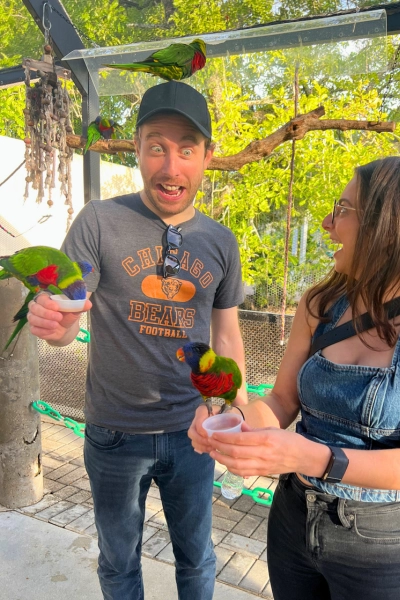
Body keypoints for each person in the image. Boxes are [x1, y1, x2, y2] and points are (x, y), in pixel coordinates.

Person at [27, 80, 248, 600]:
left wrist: (231, 408)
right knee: (119, 558)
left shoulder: (220, 242)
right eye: (157, 147)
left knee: (196, 557)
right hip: (114, 434)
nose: (171, 168)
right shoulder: (99, 221)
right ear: (138, 150)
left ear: (208, 157)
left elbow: (227, 334)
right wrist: (59, 329)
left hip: (193, 432)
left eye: (187, 149)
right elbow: (69, 316)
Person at [189, 156, 400, 600]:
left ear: (386, 226)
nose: (327, 221)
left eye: (343, 210)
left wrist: (313, 457)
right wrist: (235, 424)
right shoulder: (321, 303)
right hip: (292, 517)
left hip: (380, 545)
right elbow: (283, 400)